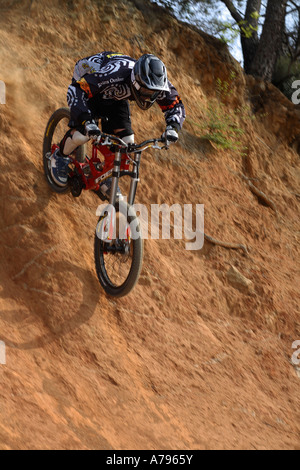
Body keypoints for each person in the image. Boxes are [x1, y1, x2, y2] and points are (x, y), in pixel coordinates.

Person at [50, 51, 186, 198]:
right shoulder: (115, 74)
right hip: (90, 83)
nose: (149, 96)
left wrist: (173, 127)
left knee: (127, 143)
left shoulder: (158, 84)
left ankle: (104, 177)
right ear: (136, 81)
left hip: (117, 94)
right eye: (146, 90)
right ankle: (59, 156)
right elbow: (76, 90)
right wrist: (86, 120)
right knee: (83, 134)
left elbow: (175, 105)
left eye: (154, 92)